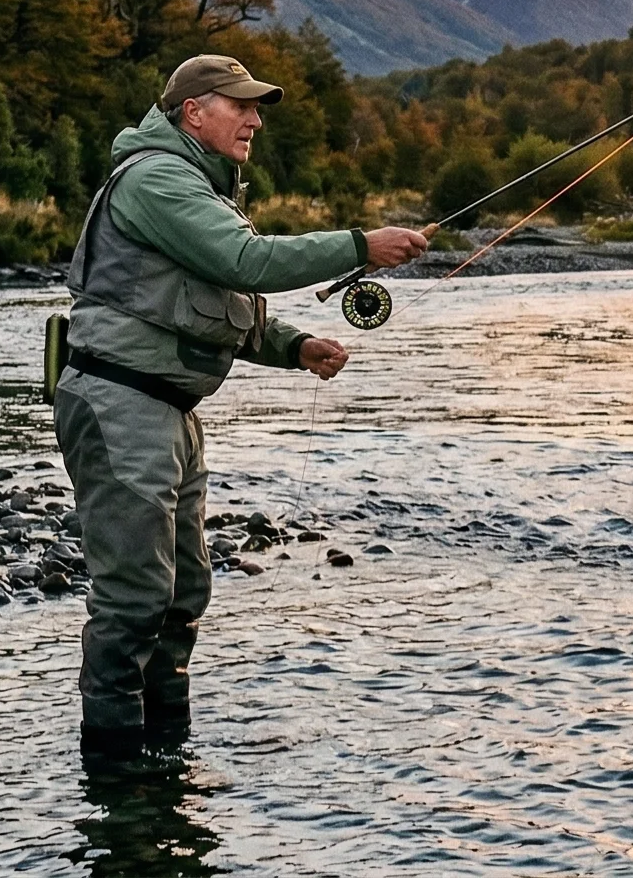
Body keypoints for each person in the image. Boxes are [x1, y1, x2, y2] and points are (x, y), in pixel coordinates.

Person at [56, 52, 429, 761]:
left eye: (257, 107)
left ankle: (164, 749)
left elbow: (208, 306)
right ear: (193, 112)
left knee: (182, 592)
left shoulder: (197, 188)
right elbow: (246, 264)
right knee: (136, 596)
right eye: (241, 105)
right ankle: (112, 766)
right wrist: (360, 245)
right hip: (119, 404)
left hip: (165, 408)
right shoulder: (158, 180)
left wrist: (294, 346)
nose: (256, 119)